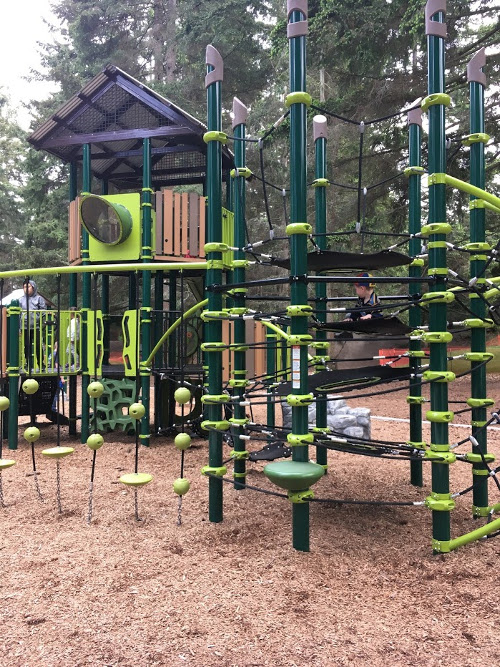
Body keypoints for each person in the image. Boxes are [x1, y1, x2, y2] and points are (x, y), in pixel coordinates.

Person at [19, 280, 47, 371]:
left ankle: (41, 364)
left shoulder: (38, 299)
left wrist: (36, 318)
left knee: (38, 346)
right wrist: (19, 327)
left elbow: (43, 311)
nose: (26, 289)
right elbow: (19, 314)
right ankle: (28, 364)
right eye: (24, 287)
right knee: (27, 346)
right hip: (25, 326)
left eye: (28, 287)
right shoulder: (21, 300)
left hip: (36, 327)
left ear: (33, 288)